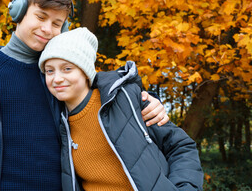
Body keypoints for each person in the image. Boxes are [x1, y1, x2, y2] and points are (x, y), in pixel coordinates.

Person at [0, 0, 168, 191]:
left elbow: (114, 108)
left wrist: (146, 103)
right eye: (40, 17)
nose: (46, 29)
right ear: (19, 13)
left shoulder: (65, 78)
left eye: (56, 23)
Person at [38, 27, 204, 191]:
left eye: (67, 69)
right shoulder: (57, 121)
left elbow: (181, 146)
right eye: (49, 71)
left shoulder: (125, 99)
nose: (57, 78)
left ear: (85, 71)